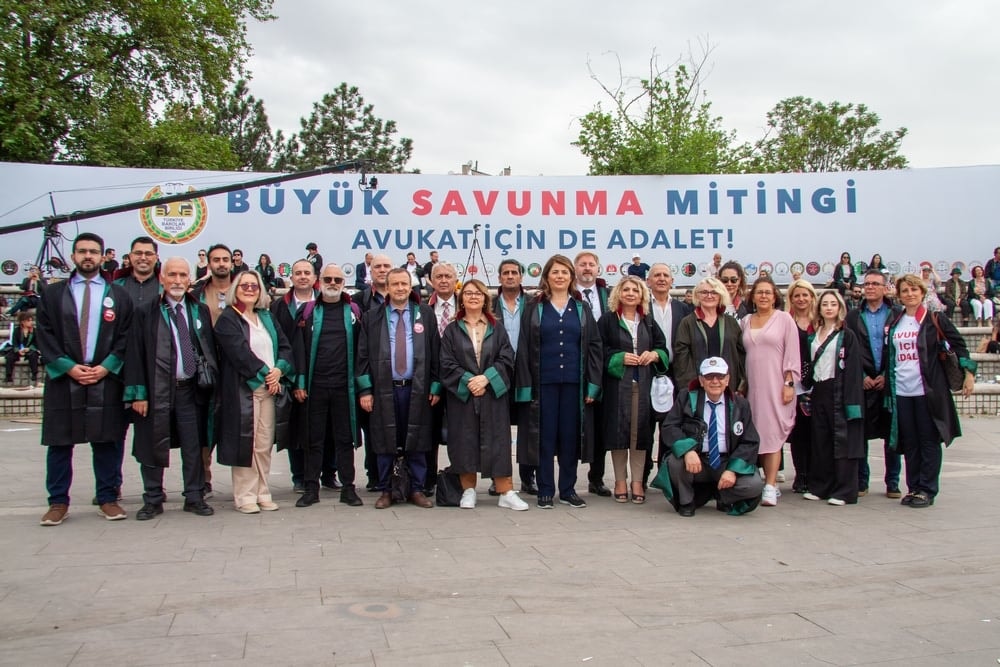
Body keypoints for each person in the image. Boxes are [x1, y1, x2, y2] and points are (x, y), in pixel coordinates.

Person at [35, 232, 134, 526]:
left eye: (93, 251)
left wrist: (107, 366)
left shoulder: (118, 295)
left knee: (107, 441)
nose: (88, 256)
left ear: (103, 256)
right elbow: (44, 334)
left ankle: (107, 498)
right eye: (82, 251)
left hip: (105, 375)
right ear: (73, 256)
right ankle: (57, 502)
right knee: (60, 443)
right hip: (65, 377)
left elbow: (126, 337)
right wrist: (67, 366)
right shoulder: (53, 294)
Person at [124, 257, 218, 520]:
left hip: (190, 390)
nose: (178, 280)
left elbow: (206, 349)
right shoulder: (146, 311)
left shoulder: (198, 310)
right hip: (156, 391)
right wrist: (138, 393)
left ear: (190, 279)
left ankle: (194, 496)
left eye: (183, 275)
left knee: (193, 445)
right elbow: (135, 354)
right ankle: (153, 498)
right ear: (162, 278)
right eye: (172, 275)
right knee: (153, 444)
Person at [514, 254, 603, 509]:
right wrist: (526, 385)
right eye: (555, 272)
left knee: (570, 437)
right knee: (544, 436)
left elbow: (594, 347)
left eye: (565, 272)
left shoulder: (581, 307)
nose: (560, 276)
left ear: (571, 277)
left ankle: (567, 489)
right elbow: (524, 346)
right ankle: (544, 489)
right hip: (544, 385)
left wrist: (593, 385)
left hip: (575, 386)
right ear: (547, 277)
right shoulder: (534, 306)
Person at [885, 274, 975, 508]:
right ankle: (914, 486)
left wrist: (969, 374)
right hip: (903, 391)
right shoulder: (896, 320)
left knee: (928, 440)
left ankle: (927, 488)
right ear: (899, 295)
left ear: (922, 292)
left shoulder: (935, 318)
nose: (910, 294)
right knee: (910, 442)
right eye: (905, 290)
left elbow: (960, 345)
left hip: (928, 390)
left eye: (914, 290)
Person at [358, 267, 442, 509]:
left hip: (416, 389)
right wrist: (365, 390)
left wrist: (435, 386)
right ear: (387, 287)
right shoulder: (373, 316)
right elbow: (362, 355)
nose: (400, 288)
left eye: (404, 284)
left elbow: (435, 353)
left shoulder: (424, 314)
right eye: (395, 284)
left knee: (417, 439)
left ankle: (416, 488)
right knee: (384, 440)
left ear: (410, 286)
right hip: (384, 389)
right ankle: (386, 489)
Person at [440, 279, 528, 510]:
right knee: (464, 441)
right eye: (468, 293)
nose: (473, 297)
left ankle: (506, 491)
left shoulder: (496, 328)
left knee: (498, 441)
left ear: (485, 299)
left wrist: (486, 378)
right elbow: (446, 363)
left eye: (478, 293)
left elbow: (506, 358)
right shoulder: (451, 329)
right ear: (461, 299)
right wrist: (470, 380)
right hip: (464, 394)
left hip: (492, 393)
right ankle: (468, 490)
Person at [214, 270, 294, 513]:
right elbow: (239, 353)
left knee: (263, 444)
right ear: (235, 289)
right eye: (244, 286)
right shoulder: (228, 319)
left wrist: (279, 371)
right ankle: (245, 496)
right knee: (245, 443)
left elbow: (285, 347)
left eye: (254, 286)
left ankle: (263, 491)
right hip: (243, 390)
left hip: (270, 389)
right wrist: (266, 375)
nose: (249, 289)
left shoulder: (266, 317)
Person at [295, 264, 364, 508]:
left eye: (337, 279)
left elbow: (361, 351)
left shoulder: (353, 311)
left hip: (344, 387)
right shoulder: (308, 311)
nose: (333, 282)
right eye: (328, 278)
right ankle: (311, 487)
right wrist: (300, 381)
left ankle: (348, 487)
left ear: (343, 283)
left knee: (345, 439)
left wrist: (362, 386)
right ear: (319, 281)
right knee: (314, 438)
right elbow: (298, 349)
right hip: (315, 386)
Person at [661, 357, 764, 517]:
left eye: (720, 376)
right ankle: (687, 501)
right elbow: (669, 427)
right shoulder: (686, 398)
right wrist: (687, 450)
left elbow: (750, 441)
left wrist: (732, 470)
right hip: (698, 461)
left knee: (754, 485)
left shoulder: (740, 405)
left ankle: (722, 496)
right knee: (675, 462)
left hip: (725, 462)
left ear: (727, 379)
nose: (715, 381)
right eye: (709, 377)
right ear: (701, 380)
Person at [597, 277, 668, 504]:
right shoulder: (607, 321)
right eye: (625, 289)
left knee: (641, 433)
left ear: (641, 295)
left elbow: (662, 347)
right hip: (617, 385)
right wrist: (618, 357)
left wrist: (654, 355)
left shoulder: (648, 321)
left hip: (643, 384)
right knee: (619, 432)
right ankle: (619, 480)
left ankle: (637, 481)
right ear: (618, 293)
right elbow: (598, 350)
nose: (630, 293)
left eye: (634, 290)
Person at [740, 275, 799, 507]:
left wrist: (789, 383)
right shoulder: (745, 321)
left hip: (776, 385)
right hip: (752, 387)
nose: (763, 296)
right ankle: (758, 479)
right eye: (759, 292)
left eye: (768, 292)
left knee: (773, 434)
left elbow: (792, 354)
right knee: (755, 433)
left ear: (775, 296)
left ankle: (771, 486)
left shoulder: (784, 319)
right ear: (753, 297)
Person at [802, 290, 864, 506]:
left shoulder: (847, 335)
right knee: (820, 440)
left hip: (840, 390)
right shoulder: (815, 333)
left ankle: (844, 490)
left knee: (843, 440)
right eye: (825, 304)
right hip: (819, 390)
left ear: (840, 308)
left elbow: (854, 370)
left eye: (833, 304)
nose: (829, 307)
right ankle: (820, 486)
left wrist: (853, 402)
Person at [845, 269, 903, 498]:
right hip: (863, 382)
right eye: (867, 283)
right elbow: (847, 349)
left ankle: (893, 482)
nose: (870, 287)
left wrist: (886, 375)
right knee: (860, 434)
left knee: (892, 435)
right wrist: (861, 377)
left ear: (885, 287)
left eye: (875, 284)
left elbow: (899, 349)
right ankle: (862, 481)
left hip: (888, 382)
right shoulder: (853, 316)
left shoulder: (897, 314)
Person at [269, 259, 318, 493]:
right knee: (297, 428)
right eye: (298, 273)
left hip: (322, 374)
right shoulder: (280, 306)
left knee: (324, 428)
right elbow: (276, 340)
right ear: (292, 277)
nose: (302, 277)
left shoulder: (324, 302)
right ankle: (299, 476)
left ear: (315, 277)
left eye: (307, 273)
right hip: (292, 374)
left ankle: (327, 473)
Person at [492, 258, 537, 495]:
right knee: (496, 428)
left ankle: (528, 478)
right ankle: (497, 477)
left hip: (527, 373)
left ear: (521, 276)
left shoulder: (533, 303)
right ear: (499, 277)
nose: (510, 276)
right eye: (506, 273)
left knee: (529, 428)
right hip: (497, 372)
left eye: (514, 272)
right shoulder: (489, 304)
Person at [574, 251, 612, 497]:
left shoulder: (608, 296)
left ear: (598, 269)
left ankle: (596, 478)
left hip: (605, 367)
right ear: (575, 268)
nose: (587, 268)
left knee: (600, 424)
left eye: (591, 265)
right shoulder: (567, 293)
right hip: (574, 365)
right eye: (582, 264)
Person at [673, 277, 746, 394]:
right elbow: (682, 359)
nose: (709, 296)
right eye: (704, 292)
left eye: (714, 292)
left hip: (728, 388)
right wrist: (691, 388)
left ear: (721, 295)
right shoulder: (687, 323)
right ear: (697, 295)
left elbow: (741, 355)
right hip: (698, 389)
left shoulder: (731, 322)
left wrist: (741, 386)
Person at [424, 262, 458, 494]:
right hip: (431, 378)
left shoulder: (467, 303)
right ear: (432, 281)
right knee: (430, 431)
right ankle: (428, 480)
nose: (444, 280)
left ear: (455, 279)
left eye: (448, 276)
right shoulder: (422, 307)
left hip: (460, 378)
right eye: (439, 277)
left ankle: (459, 479)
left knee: (460, 431)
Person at [785, 279, 817, 494]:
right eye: (797, 295)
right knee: (797, 432)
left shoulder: (820, 320)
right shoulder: (786, 321)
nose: (801, 299)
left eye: (805, 295)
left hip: (818, 383)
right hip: (794, 383)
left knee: (816, 430)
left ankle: (816, 473)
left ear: (812, 297)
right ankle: (801, 474)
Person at [192, 244, 234, 325]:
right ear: (209, 266)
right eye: (216, 260)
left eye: (225, 260)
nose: (221, 264)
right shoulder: (195, 296)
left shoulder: (244, 293)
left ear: (231, 265)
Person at [115, 237, 161, 308]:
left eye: (148, 254)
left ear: (156, 258)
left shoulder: (165, 288)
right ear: (130, 256)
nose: (143, 258)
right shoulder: (115, 286)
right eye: (138, 253)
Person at [4, 312, 40, 387]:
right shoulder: (17, 330)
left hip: (30, 349)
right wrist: (18, 350)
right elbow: (15, 342)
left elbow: (37, 343)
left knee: (33, 355)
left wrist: (29, 348)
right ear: (23, 322)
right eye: (28, 321)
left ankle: (34, 374)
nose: (31, 322)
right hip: (20, 349)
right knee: (9, 356)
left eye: (31, 320)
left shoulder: (34, 331)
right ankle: (8, 376)